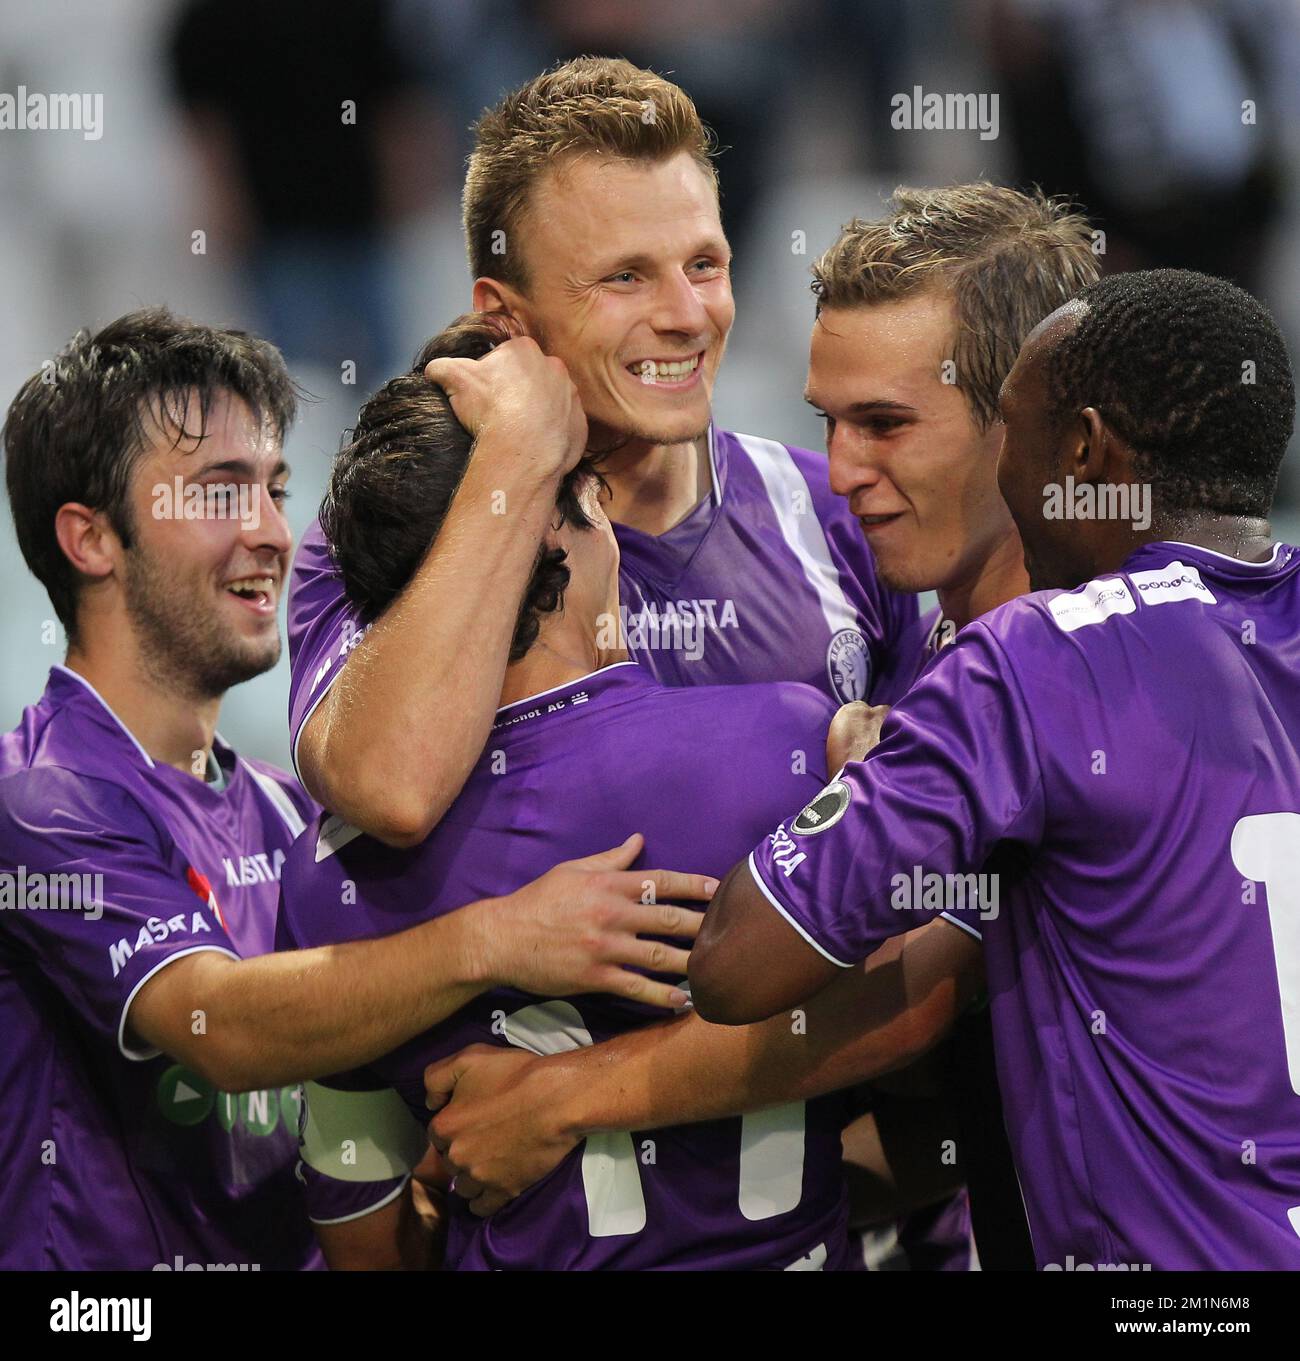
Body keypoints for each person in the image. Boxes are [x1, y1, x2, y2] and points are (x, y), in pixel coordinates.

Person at [418, 183, 1100, 1272]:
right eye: (829, 421)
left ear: (1029, 424)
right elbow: (958, 1086)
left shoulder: (1064, 666)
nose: (841, 473)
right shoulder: (942, 653)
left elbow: (912, 992)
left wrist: (561, 1097)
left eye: (885, 424)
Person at [0, 308, 710, 1270]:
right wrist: (500, 935)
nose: (268, 534)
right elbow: (222, 1027)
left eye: (274, 489)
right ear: (90, 538)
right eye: (220, 495)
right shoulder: (38, 798)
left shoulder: (288, 807)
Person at [278, 312, 943, 1270]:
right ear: (550, 526)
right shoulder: (792, 745)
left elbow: (361, 1229)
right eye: (585, 489)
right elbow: (927, 1004)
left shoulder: (329, 877)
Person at [689, 269, 1300, 1270]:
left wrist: (866, 774)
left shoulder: (1035, 660)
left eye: (1010, 435)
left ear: (1082, 450)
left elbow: (735, 960)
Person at [286, 56, 916, 848]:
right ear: (504, 318)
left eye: (704, 265)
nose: (687, 315)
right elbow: (384, 786)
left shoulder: (839, 515)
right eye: (624, 278)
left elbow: (915, 857)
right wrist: (519, 456)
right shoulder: (397, 522)